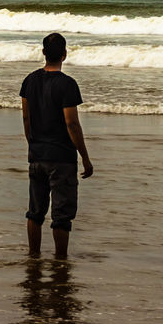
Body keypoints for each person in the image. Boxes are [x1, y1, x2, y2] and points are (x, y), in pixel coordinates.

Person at [20, 33, 93, 258]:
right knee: (61, 215)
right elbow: (71, 123)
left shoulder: (29, 81)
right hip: (61, 157)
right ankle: (60, 261)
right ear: (64, 54)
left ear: (43, 53)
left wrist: (32, 144)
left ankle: (34, 257)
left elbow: (26, 119)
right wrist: (85, 157)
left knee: (35, 213)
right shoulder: (67, 85)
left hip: (37, 154)